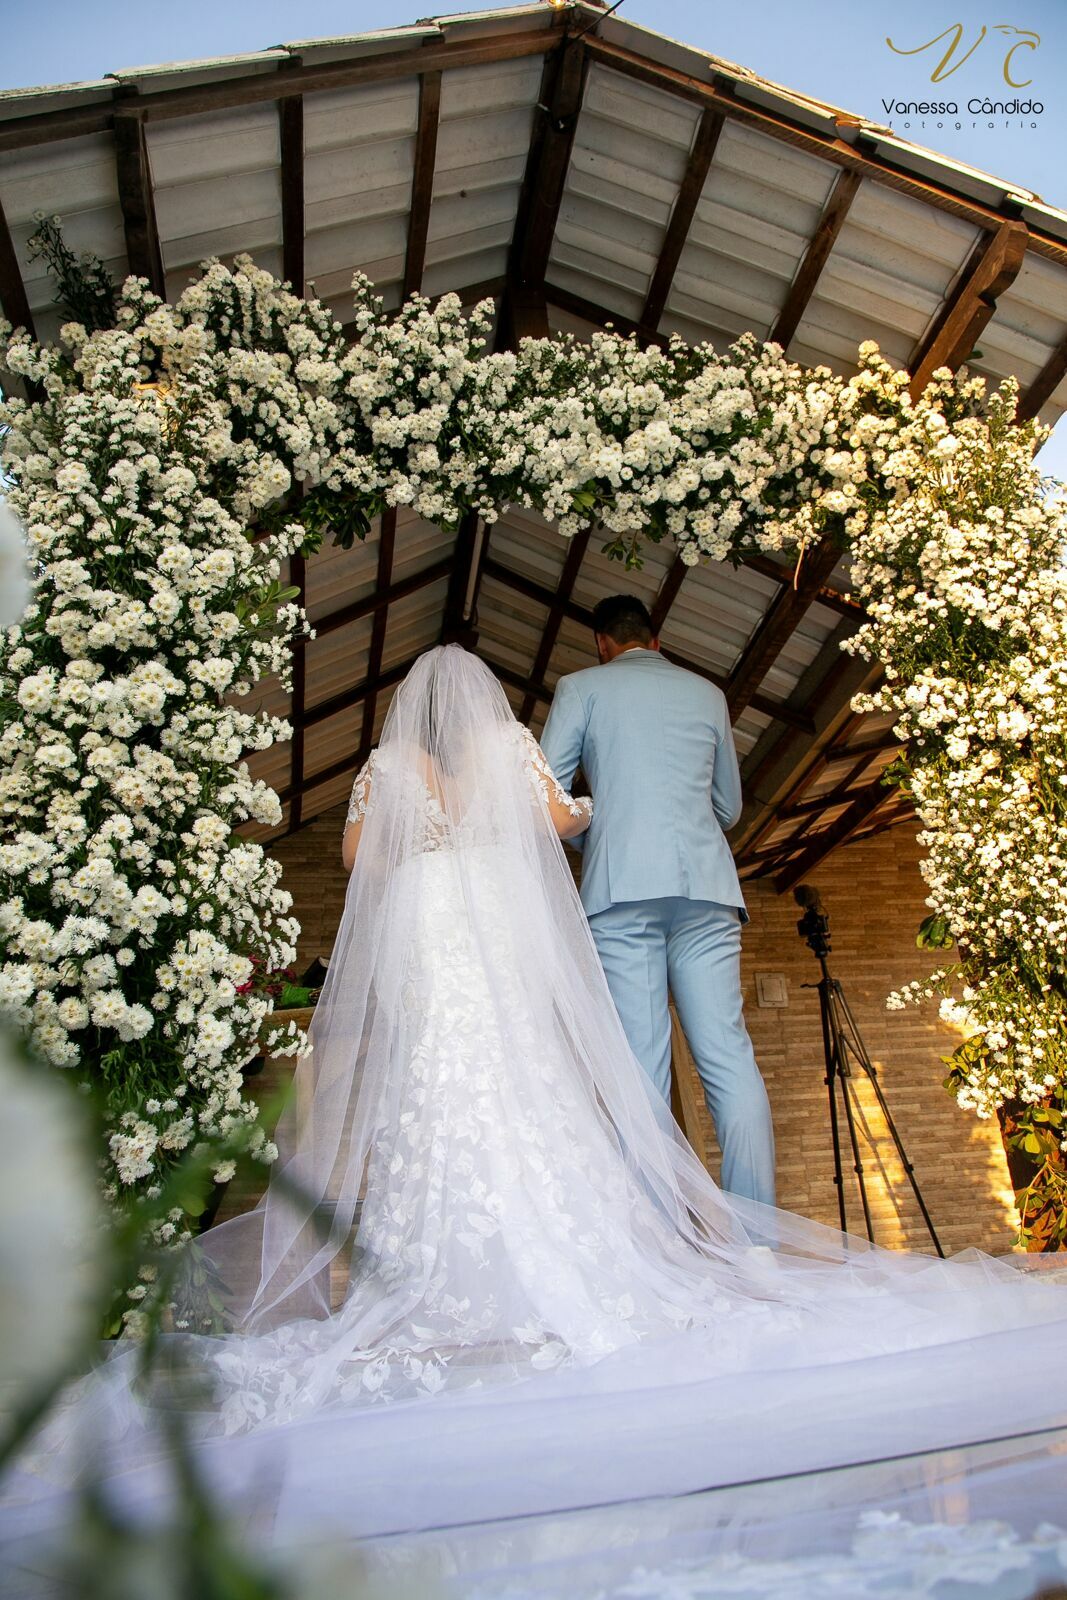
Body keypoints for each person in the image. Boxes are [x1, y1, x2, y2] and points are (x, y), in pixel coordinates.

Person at [7, 644, 1067, 1582]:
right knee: (535, 1078)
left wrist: (416, 828)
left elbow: (357, 862)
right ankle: (663, 1243)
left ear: (408, 714)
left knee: (437, 1093)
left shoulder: (385, 769)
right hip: (503, 932)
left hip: (427, 929)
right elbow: (559, 821)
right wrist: (580, 811)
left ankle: (440, 1279)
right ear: (482, 706)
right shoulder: (514, 747)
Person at [540, 594, 776, 1206]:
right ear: (656, 638)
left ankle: (659, 1232)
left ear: (602, 642)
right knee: (727, 1056)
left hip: (622, 889)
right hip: (707, 888)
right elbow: (728, 807)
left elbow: (547, 799)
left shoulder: (581, 687)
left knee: (641, 1063)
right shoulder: (708, 694)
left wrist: (605, 823)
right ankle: (760, 1240)